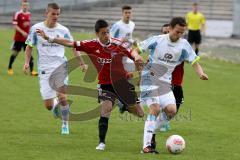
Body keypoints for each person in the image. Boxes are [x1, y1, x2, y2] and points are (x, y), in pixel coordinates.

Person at [36, 19, 144, 151]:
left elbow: (132, 52)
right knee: (106, 110)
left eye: (108, 32)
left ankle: (123, 106)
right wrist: (50, 38)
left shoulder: (118, 43)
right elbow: (70, 43)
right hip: (105, 85)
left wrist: (137, 58)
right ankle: (101, 143)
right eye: (103, 33)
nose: (106, 35)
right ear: (97, 33)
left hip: (122, 82)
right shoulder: (90, 44)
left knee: (140, 113)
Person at [132, 17, 208, 153]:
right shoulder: (158, 39)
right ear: (171, 28)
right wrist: (137, 56)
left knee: (172, 111)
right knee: (154, 109)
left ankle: (150, 128)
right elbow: (135, 50)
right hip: (149, 78)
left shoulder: (184, 44)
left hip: (165, 83)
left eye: (182, 32)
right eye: (177, 32)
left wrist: (201, 73)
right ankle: (146, 146)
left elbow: (194, 61)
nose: (180, 35)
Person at [23, 3, 86, 135]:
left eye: (58, 14)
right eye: (53, 13)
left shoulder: (63, 30)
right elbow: (29, 46)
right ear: (47, 12)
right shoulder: (36, 28)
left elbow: (73, 46)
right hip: (44, 70)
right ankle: (55, 104)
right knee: (49, 106)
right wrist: (27, 62)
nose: (56, 16)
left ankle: (65, 124)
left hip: (60, 67)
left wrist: (81, 62)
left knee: (63, 96)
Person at [110, 5, 137, 113]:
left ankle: (122, 100)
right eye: (126, 13)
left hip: (128, 54)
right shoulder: (117, 25)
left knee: (129, 77)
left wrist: (133, 41)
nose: (128, 15)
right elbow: (110, 39)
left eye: (129, 13)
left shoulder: (132, 24)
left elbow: (129, 37)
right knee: (121, 79)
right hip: (118, 56)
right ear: (122, 13)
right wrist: (122, 40)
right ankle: (122, 101)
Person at [7, 0, 37, 76]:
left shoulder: (29, 14)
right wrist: (22, 32)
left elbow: (28, 25)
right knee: (15, 53)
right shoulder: (18, 14)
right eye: (24, 5)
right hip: (18, 38)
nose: (25, 6)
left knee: (29, 54)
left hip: (27, 39)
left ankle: (32, 71)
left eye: (26, 5)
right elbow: (15, 25)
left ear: (28, 6)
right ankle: (10, 68)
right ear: (21, 6)